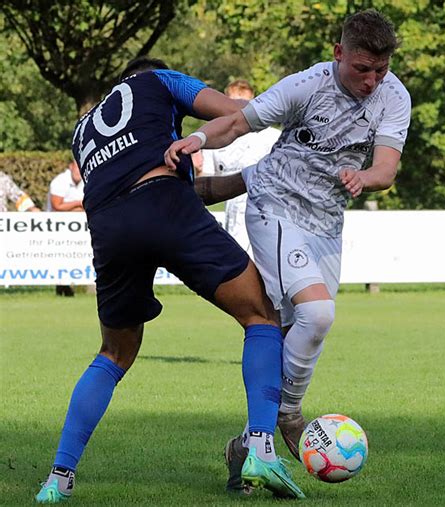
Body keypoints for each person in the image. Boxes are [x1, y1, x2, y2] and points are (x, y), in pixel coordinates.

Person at [35, 56, 305, 503]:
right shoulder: (159, 80)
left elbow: (163, 185)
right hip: (163, 204)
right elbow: (237, 113)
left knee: (114, 353)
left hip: (109, 228)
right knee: (262, 316)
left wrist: (250, 177)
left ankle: (57, 479)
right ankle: (260, 445)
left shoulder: (83, 129)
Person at [165, 8, 411, 480]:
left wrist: (365, 176)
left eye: (380, 71)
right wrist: (197, 138)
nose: (372, 82)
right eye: (362, 69)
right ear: (338, 53)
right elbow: (238, 124)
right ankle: (289, 416)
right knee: (319, 313)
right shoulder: (305, 85)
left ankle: (247, 447)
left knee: (295, 331)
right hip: (275, 206)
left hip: (326, 222)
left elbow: (387, 167)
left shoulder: (394, 95)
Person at [203, 79, 280, 252]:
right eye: (233, 102)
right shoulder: (213, 138)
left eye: (244, 102)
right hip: (232, 208)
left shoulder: (272, 137)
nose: (239, 107)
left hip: (267, 208)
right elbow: (207, 180)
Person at [47, 160, 84, 296]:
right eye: (76, 168)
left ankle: (66, 286)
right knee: (61, 257)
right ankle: (62, 286)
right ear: (71, 167)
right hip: (56, 227)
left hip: (77, 227)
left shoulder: (85, 181)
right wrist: (78, 204)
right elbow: (57, 206)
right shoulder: (60, 181)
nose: (79, 172)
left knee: (76, 256)